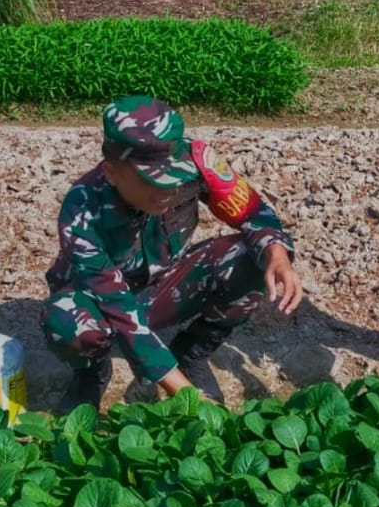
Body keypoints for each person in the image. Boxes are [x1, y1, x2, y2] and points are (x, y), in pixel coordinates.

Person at [43, 95, 303, 413]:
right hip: (104, 304)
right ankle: (91, 375)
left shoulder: (197, 161)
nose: (166, 190)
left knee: (252, 257)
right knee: (68, 322)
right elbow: (119, 308)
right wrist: (186, 396)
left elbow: (251, 212)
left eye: (173, 178)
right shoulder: (82, 209)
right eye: (152, 181)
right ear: (112, 173)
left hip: (165, 284)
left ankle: (191, 352)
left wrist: (277, 255)